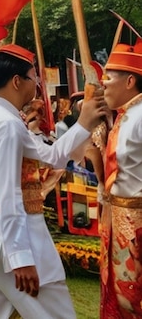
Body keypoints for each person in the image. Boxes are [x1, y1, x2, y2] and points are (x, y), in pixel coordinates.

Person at [0, 44, 107, 319]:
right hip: (15, 246)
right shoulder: (6, 124)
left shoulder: (1, 118)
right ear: (17, 81)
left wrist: (84, 123)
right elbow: (8, 193)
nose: (38, 85)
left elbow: (50, 156)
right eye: (34, 77)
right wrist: (20, 258)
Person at [98, 39, 142, 318]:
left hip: (135, 220)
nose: (103, 84)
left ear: (129, 82)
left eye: (108, 78)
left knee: (132, 296)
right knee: (115, 288)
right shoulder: (124, 117)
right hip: (116, 217)